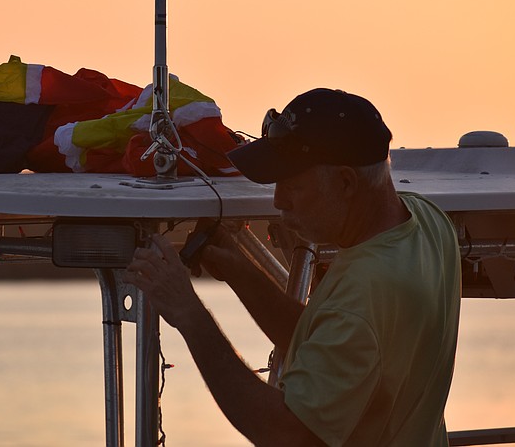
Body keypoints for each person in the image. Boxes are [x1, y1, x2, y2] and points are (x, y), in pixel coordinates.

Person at [125, 88, 461, 446]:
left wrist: (189, 313)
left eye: (292, 185)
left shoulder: (364, 295)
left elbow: (286, 433)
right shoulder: (427, 221)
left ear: (346, 182)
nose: (278, 200)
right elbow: (329, 341)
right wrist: (240, 271)